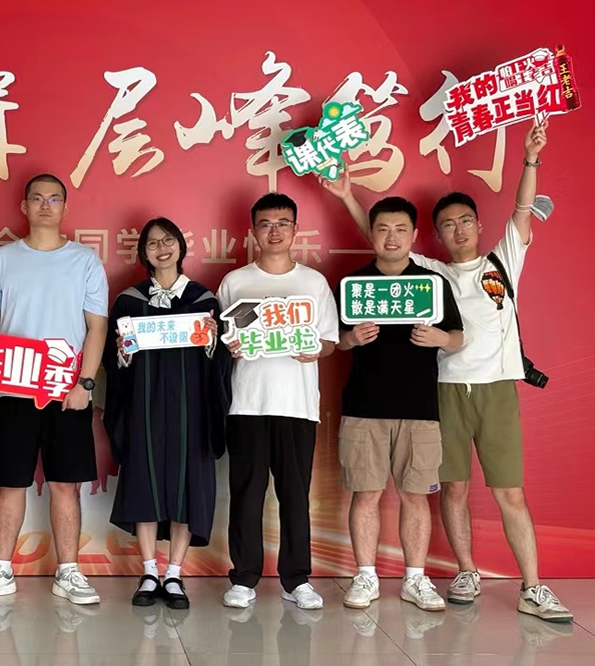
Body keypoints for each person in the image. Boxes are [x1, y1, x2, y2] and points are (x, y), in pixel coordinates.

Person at [325, 121, 572, 622]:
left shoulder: (503, 262)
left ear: (478, 226)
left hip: (496, 388)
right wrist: (349, 197)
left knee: (510, 492)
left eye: (466, 222)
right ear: (434, 235)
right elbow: (386, 240)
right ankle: (466, 571)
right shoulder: (429, 273)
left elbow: (522, 210)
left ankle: (533, 586)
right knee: (452, 490)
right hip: (441, 392)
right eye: (449, 225)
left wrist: (530, 158)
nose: (458, 230)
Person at [0, 174, 108, 606]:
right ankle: (0, 570)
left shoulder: (84, 261)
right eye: (38, 199)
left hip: (67, 393)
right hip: (12, 390)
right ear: (23, 207)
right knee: (10, 483)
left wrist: (85, 383)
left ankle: (69, 571)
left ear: (65, 208)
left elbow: (97, 327)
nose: (46, 205)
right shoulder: (3, 259)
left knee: (65, 484)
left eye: (54, 199)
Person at [332, 196, 463, 612]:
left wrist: (442, 339)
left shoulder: (433, 284)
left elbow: (457, 337)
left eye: (400, 229)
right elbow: (331, 342)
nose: (392, 238)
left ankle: (415, 578)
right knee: (366, 495)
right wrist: (350, 338)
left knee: (415, 496)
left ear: (414, 235)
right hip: (364, 408)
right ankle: (365, 576)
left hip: (419, 408)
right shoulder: (352, 285)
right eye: (383, 229)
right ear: (371, 234)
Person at [217, 193, 338, 611]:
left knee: (295, 495)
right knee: (246, 495)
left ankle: (296, 579)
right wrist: (230, 347)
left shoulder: (313, 283)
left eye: (283, 223)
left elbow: (328, 341)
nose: (274, 231)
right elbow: (222, 341)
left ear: (295, 229)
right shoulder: (235, 282)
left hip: (297, 405)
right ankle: (244, 578)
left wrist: (316, 349)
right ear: (253, 231)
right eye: (266, 224)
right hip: (246, 404)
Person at [103, 218, 230, 610]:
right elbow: (114, 362)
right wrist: (123, 352)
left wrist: (211, 343)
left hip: (191, 411)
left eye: (168, 240)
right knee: (145, 483)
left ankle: (173, 573)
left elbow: (219, 363)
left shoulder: (204, 301)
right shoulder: (128, 301)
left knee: (185, 488)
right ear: (143, 252)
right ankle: (148, 571)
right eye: (153, 243)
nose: (162, 249)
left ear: (181, 246)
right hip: (144, 409)